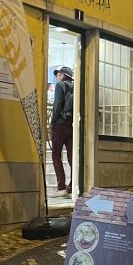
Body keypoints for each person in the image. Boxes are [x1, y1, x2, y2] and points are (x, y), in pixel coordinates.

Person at [51, 65, 74, 197]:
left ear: (63, 75)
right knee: (72, 157)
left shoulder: (60, 86)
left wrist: (53, 121)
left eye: (58, 74)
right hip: (70, 126)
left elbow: (57, 104)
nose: (56, 77)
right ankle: (72, 186)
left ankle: (61, 187)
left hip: (59, 125)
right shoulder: (75, 87)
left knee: (55, 155)